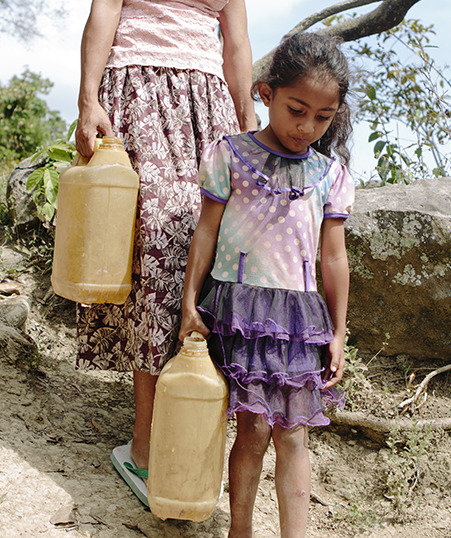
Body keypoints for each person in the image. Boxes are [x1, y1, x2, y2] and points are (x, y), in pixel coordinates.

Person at [73, 0, 258, 502]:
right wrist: (88, 100)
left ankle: (192, 437)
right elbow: (105, 10)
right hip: (137, 89)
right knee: (155, 247)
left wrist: (247, 119)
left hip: (208, 105)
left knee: (210, 252)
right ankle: (145, 447)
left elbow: (236, 43)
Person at [179, 32, 354, 538]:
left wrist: (338, 332)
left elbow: (333, 256)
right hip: (238, 308)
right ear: (265, 93)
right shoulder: (230, 155)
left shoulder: (330, 174)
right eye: (297, 109)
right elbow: (206, 231)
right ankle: (240, 531)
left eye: (323, 118)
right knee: (252, 429)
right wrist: (191, 302)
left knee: (294, 435)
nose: (307, 127)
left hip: (299, 320)